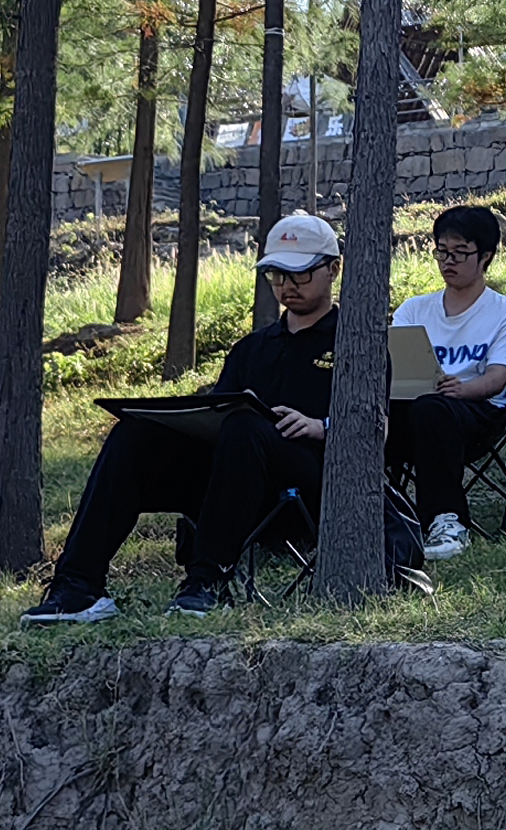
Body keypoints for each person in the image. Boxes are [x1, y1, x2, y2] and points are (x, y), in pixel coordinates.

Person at [24, 213, 347, 623]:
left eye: (299, 275)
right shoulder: (251, 349)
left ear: (333, 269)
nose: (287, 286)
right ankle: (77, 585)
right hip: (232, 480)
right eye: (276, 275)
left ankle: (206, 581)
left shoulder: (354, 342)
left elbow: (382, 426)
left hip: (311, 480)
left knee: (246, 427)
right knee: (134, 434)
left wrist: (322, 427)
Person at [390, 202, 506, 561]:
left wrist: (462, 389)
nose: (448, 261)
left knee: (433, 408)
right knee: (376, 412)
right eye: (442, 251)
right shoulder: (414, 309)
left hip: (479, 412)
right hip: (414, 408)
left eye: (460, 253)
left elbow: (498, 378)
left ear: (485, 256)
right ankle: (371, 514)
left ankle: (447, 520)